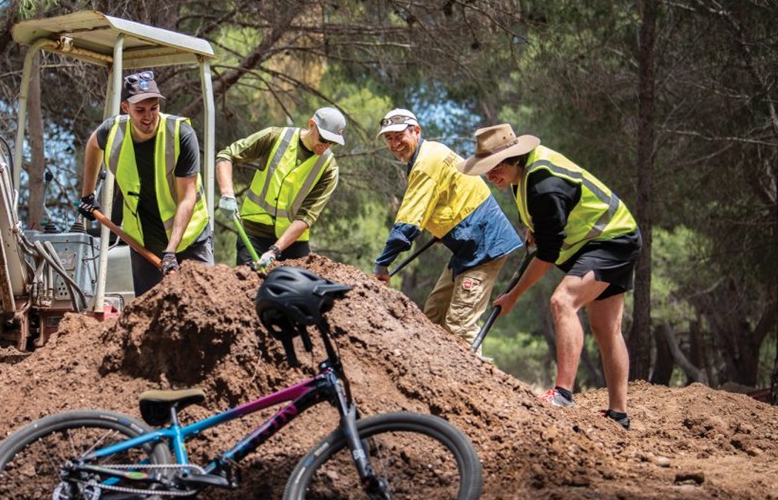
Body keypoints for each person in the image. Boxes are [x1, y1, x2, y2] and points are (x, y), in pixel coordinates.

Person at [461, 123, 641, 429]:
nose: (490, 177)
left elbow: (547, 256)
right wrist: (538, 228)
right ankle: (618, 415)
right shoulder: (522, 176)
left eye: (493, 168)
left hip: (612, 240)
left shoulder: (543, 182)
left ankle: (563, 394)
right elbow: (552, 218)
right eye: (486, 170)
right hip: (600, 242)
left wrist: (513, 296)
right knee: (606, 327)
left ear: (512, 158)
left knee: (562, 301)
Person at [372, 108, 523, 347]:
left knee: (459, 327)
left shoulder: (425, 163)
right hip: (467, 244)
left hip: (483, 245)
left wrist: (383, 264)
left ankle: (477, 383)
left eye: (399, 135)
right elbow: (449, 197)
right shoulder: (433, 151)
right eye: (389, 138)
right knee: (433, 316)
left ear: (416, 131)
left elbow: (409, 221)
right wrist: (444, 229)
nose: (394, 143)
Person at [78, 71, 213, 296]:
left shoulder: (180, 134)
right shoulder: (113, 131)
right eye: (140, 110)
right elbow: (93, 144)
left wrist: (170, 251)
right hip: (143, 241)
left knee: (204, 303)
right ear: (125, 108)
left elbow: (187, 197)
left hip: (190, 238)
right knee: (150, 313)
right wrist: (87, 195)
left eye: (154, 108)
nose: (148, 117)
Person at [215, 107, 344, 270]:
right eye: (324, 138)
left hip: (293, 242)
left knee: (298, 291)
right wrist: (227, 194)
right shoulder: (275, 137)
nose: (326, 145)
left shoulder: (329, 168)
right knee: (248, 286)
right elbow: (227, 155)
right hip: (254, 233)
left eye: (332, 142)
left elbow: (306, 217)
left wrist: (274, 251)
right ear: (312, 124)